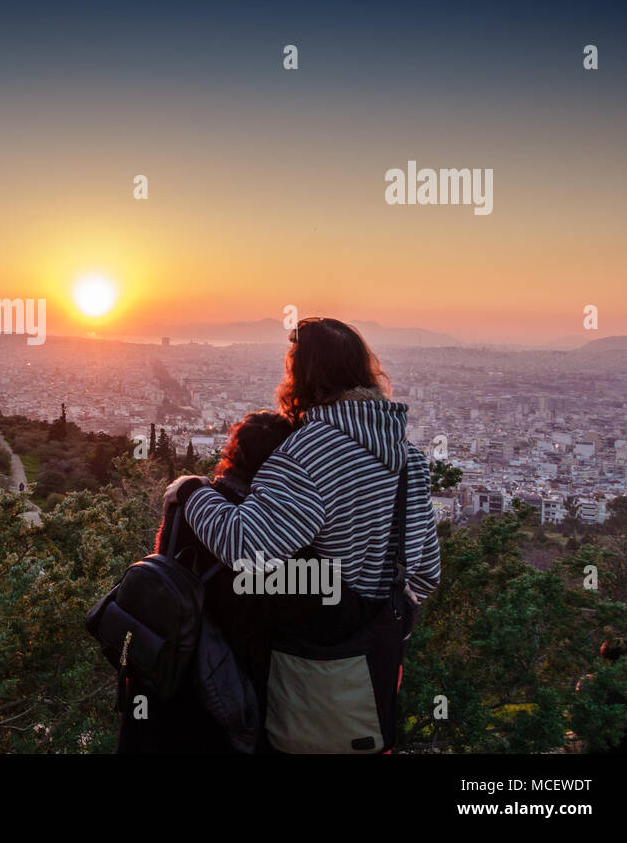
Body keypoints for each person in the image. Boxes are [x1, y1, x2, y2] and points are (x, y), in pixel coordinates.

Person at [162, 317, 442, 752]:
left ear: (302, 376)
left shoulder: (309, 450)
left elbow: (246, 547)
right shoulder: (410, 460)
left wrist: (191, 492)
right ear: (366, 373)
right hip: (373, 682)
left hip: (304, 676)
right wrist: (374, 626)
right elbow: (424, 572)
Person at [118, 411, 294, 753]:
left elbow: (164, 563)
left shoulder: (194, 500)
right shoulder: (278, 525)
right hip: (234, 678)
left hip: (175, 661)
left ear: (234, 453)